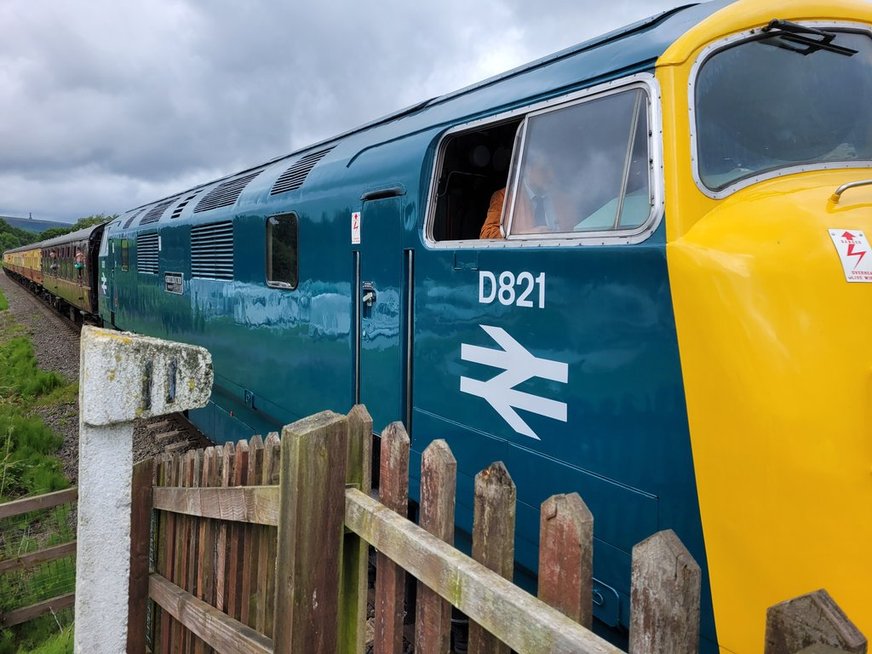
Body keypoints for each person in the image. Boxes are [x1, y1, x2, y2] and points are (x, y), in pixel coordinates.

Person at [479, 151, 566, 239]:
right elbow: (487, 234)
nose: (551, 175)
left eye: (554, 170)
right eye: (544, 169)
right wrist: (525, 235)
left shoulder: (563, 199)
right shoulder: (505, 197)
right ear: (527, 170)